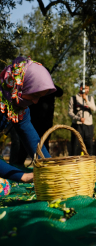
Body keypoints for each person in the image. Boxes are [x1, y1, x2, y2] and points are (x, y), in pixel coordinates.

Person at [0, 57, 55, 196]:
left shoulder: (20, 107)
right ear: (20, 85)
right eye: (35, 95)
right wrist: (22, 176)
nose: (36, 102)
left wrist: (50, 167)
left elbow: (32, 140)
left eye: (40, 97)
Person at [9, 81, 63, 166]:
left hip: (45, 124)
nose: (35, 101)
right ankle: (18, 165)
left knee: (42, 143)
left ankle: (44, 165)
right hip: (33, 120)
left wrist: (48, 167)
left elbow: (60, 92)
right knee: (24, 145)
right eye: (35, 95)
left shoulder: (52, 88)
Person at [68, 82, 96, 155]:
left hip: (88, 125)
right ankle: (75, 163)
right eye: (86, 88)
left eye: (88, 89)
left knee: (89, 145)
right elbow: (70, 113)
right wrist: (78, 118)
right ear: (81, 88)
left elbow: (94, 109)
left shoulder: (90, 98)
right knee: (76, 145)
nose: (88, 90)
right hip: (77, 125)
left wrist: (86, 100)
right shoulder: (73, 98)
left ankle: (88, 162)